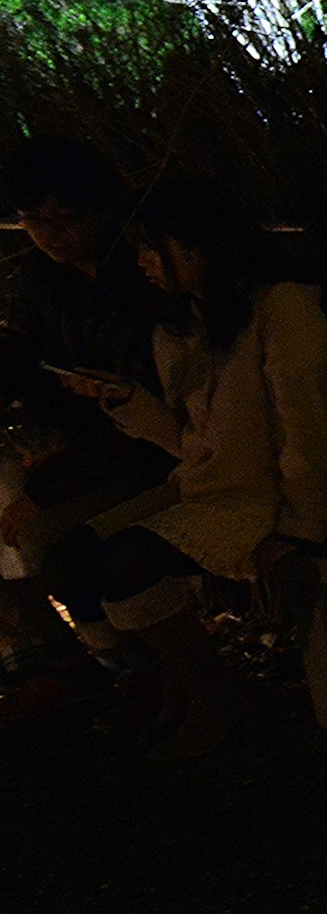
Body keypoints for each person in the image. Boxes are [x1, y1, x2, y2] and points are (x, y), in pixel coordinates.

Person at [35, 176, 327, 755]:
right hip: (210, 488)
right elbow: (193, 444)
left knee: (122, 566)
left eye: (155, 248)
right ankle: (197, 691)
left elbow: (306, 427)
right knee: (67, 565)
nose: (143, 264)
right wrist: (129, 403)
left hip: (267, 496)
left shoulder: (281, 308)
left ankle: (219, 701)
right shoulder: (185, 326)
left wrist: (298, 523)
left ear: (197, 249)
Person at [0, 135, 163, 706]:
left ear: (102, 210)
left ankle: (147, 676)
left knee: (52, 544)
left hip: (151, 450)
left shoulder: (144, 278)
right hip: (90, 448)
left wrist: (48, 485)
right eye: (33, 220)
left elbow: (145, 417)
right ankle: (92, 668)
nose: (50, 234)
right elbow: (27, 370)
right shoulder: (43, 281)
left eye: (65, 217)